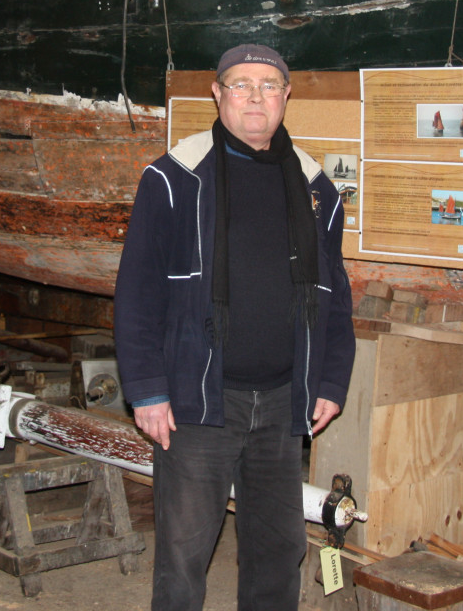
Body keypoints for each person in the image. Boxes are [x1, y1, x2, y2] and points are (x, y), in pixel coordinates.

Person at [114, 43, 356, 611]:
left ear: (286, 96)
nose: (255, 96)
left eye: (269, 85)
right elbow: (137, 290)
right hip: (200, 401)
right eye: (240, 84)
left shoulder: (317, 189)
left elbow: (336, 297)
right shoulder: (173, 178)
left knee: (278, 550)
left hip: (280, 401)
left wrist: (331, 382)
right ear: (217, 95)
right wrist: (146, 390)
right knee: (183, 555)